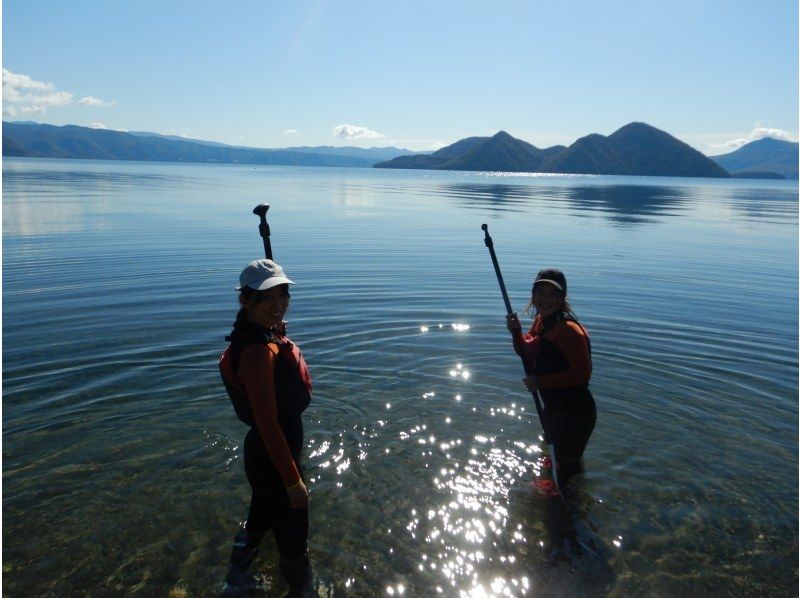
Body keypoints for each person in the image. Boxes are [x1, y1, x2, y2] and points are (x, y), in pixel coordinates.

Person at [219, 258, 313, 593]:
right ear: (245, 300)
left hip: (268, 455)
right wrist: (292, 482)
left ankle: (235, 582)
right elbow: (269, 424)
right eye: (267, 298)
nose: (279, 305)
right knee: (293, 543)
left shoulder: (259, 334)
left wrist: (274, 329)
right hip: (273, 456)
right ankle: (301, 590)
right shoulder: (256, 353)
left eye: (283, 295)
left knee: (257, 523)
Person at [506, 268, 596, 486]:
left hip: (575, 413)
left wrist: (540, 382)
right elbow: (528, 353)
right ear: (533, 295)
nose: (544, 300)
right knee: (551, 461)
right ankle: (552, 503)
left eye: (551, 294)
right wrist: (516, 333)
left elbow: (582, 374)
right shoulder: (540, 321)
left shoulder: (568, 330)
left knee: (566, 469)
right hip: (554, 408)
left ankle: (570, 511)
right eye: (539, 293)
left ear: (562, 297)